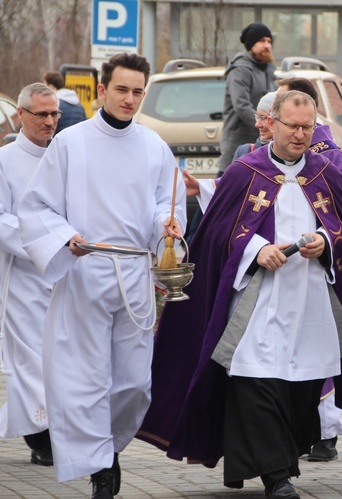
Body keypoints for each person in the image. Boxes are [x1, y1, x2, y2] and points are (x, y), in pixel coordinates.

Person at [137, 91, 342, 499]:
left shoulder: (327, 172)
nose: (299, 135)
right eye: (292, 126)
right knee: (255, 379)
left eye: (307, 127)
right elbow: (217, 234)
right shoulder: (246, 171)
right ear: (271, 125)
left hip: (311, 302)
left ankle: (281, 461)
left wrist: (326, 242)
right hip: (257, 303)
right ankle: (276, 476)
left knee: (302, 386)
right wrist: (255, 249)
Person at [17, 53, 186, 499]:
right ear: (104, 90)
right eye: (122, 90)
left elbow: (162, 207)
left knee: (134, 383)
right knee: (87, 378)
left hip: (133, 273)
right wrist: (67, 236)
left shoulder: (154, 146)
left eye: (138, 92)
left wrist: (166, 226)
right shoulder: (71, 143)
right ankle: (102, 469)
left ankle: (107, 448)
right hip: (85, 272)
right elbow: (38, 207)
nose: (130, 99)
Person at [0, 82, 59, 467]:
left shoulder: (65, 156)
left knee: (59, 357)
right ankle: (41, 436)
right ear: (21, 115)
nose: (50, 121)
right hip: (22, 275)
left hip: (66, 271)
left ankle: (60, 426)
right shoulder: (4, 160)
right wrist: (43, 243)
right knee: (31, 360)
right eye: (41, 114)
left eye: (55, 114)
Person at [218, 22, 277, 175]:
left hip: (263, 143)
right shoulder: (240, 70)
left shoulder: (268, 70)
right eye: (262, 41)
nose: (267, 45)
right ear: (251, 44)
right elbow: (241, 106)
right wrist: (266, 124)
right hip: (239, 143)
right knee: (228, 191)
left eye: (269, 41)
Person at [231, 90, 277, 159]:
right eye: (257, 117)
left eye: (264, 118)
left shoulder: (293, 156)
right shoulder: (244, 152)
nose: (257, 124)